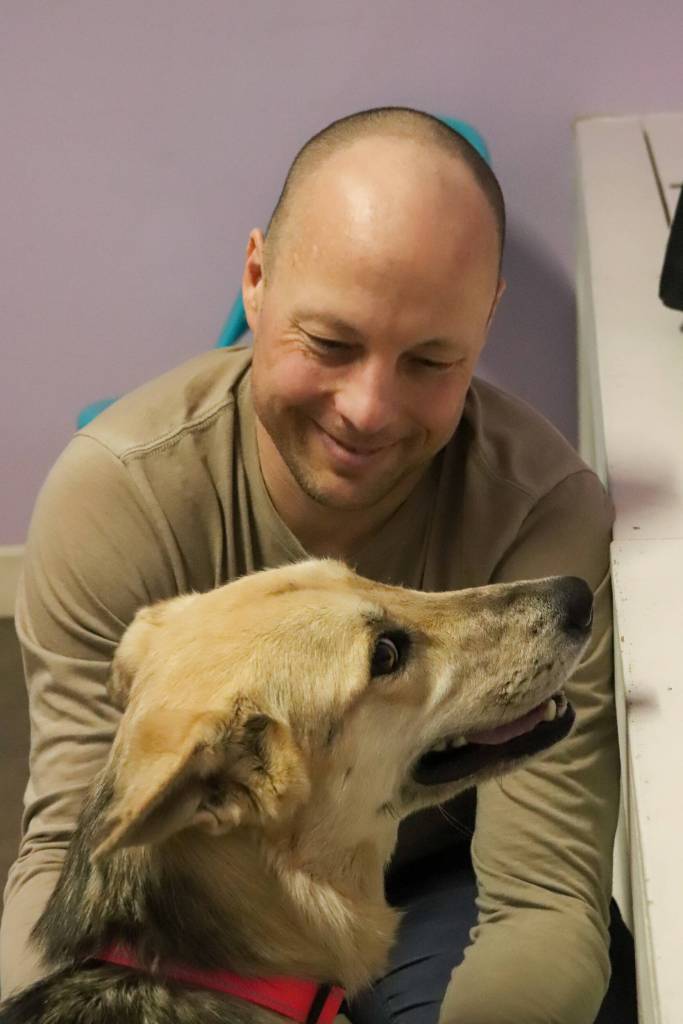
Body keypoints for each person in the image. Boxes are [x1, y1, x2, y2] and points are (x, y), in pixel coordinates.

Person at [1, 107, 636, 1023]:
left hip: (434, 881)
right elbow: (68, 843)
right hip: (200, 912)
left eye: (429, 358)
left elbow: (538, 900)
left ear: (485, 317)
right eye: (330, 345)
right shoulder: (116, 495)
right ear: (255, 279)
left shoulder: (543, 509)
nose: (367, 410)